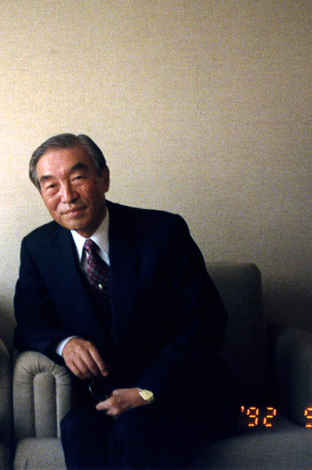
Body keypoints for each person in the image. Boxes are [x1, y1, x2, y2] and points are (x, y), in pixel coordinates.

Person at [13, 133, 237, 469]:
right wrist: (65, 343)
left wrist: (148, 390)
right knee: (76, 427)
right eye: (51, 186)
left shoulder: (163, 232)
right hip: (110, 397)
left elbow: (206, 323)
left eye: (78, 178)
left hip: (181, 389)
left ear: (103, 178)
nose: (67, 196)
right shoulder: (38, 248)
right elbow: (29, 326)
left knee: (136, 429)